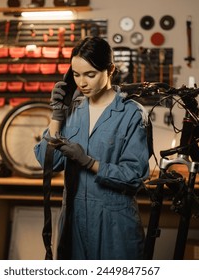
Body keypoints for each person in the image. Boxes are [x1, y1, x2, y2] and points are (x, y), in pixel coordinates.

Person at [34, 36, 150, 260]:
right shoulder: (72, 110)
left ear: (110, 70)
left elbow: (134, 177)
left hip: (114, 222)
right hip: (74, 220)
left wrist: (89, 162)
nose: (82, 83)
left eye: (90, 74)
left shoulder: (132, 114)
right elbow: (47, 161)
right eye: (76, 74)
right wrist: (57, 115)